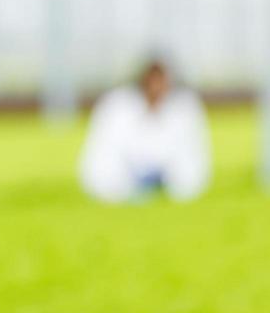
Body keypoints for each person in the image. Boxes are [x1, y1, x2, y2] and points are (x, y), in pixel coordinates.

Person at [79, 56, 210, 203]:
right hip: (126, 179)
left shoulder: (184, 109)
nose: (156, 88)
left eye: (160, 82)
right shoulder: (118, 108)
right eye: (151, 82)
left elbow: (193, 159)